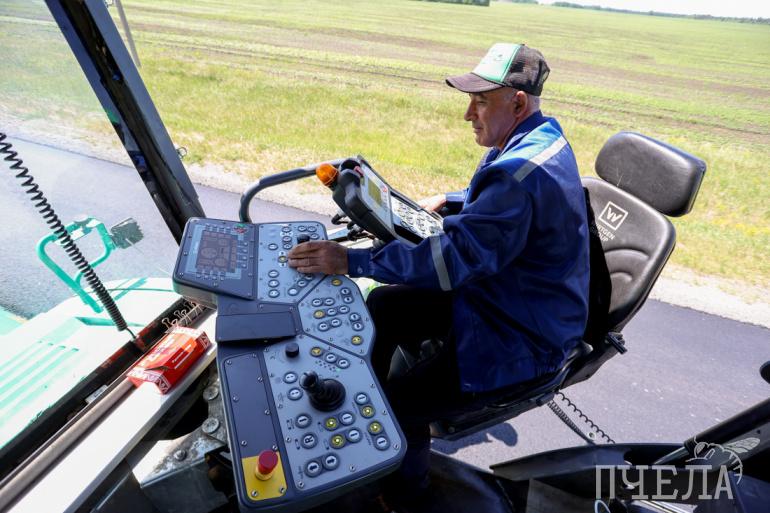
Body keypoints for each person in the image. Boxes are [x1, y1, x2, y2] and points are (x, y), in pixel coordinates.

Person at [288, 42, 590, 504]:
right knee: (383, 304)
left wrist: (350, 261)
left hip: (518, 334)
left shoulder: (515, 172)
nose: (468, 114)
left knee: (401, 407)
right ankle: (363, 395)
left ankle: (403, 497)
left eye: (480, 102)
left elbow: (452, 261)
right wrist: (450, 201)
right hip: (507, 296)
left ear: (518, 103)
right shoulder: (538, 139)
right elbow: (498, 204)